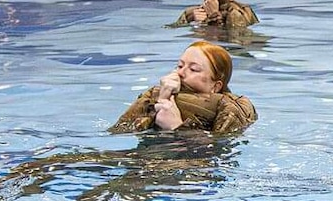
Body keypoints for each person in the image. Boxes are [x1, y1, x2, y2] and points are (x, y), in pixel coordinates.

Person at [110, 42, 257, 135]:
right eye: (180, 66)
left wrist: (176, 127)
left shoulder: (230, 109)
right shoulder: (155, 95)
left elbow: (219, 150)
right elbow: (119, 130)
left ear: (215, 86)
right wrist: (158, 103)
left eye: (193, 69)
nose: (180, 73)